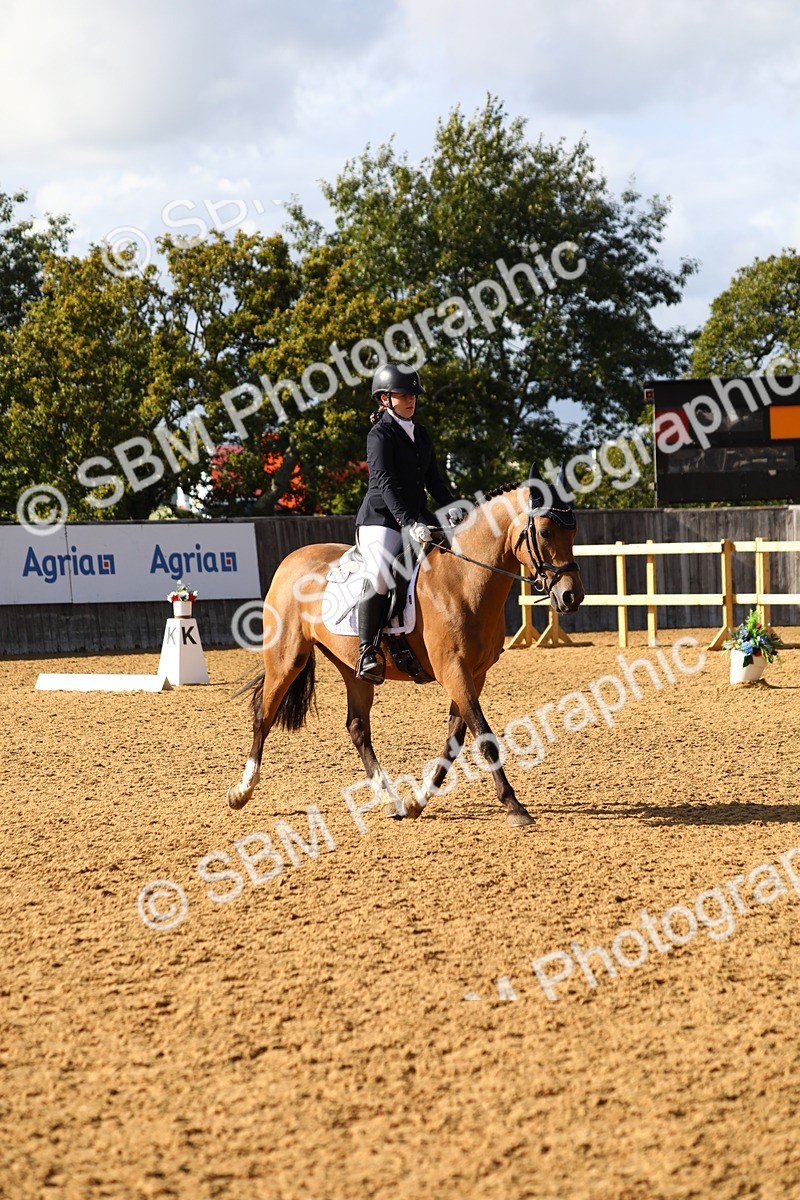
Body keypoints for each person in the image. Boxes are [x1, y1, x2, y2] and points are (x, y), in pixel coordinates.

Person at [353, 362, 461, 684]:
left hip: (417, 517)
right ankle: (367, 651)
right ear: (385, 398)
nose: (410, 399)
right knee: (380, 573)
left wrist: (455, 507)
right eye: (403, 394)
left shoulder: (422, 434)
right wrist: (409, 522)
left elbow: (435, 481)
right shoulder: (379, 435)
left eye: (413, 394)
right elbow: (385, 484)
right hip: (382, 520)